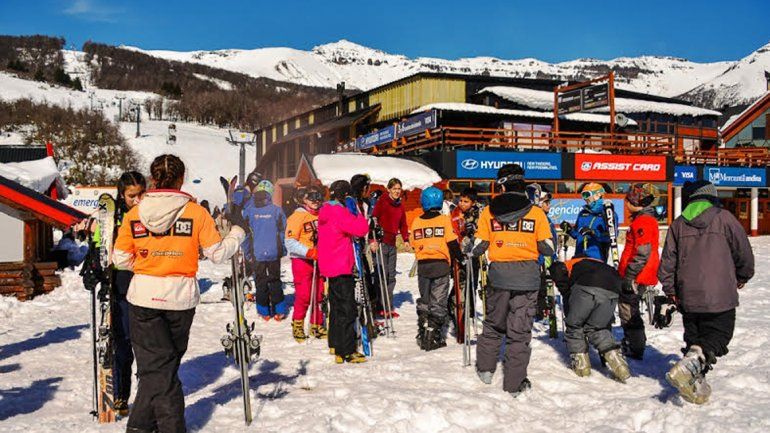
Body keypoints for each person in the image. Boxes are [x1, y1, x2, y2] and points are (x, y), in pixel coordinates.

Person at [113, 154, 246, 433]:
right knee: (164, 367)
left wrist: (150, 262)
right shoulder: (196, 212)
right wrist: (237, 234)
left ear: (152, 179)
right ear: (182, 178)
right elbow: (217, 253)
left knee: (158, 368)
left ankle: (139, 427)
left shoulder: (134, 213)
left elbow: (120, 259)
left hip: (144, 297)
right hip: (180, 297)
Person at [657, 180, 754, 404]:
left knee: (695, 340)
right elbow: (743, 252)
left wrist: (672, 291)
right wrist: (742, 276)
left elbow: (667, 263)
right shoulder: (724, 218)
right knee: (718, 337)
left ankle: (694, 386)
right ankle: (692, 367)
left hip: (688, 295)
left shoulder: (678, 224)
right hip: (720, 295)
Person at [468, 163, 554, 397]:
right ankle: (514, 384)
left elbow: (479, 246)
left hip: (498, 276)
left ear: (502, 184)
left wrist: (469, 249)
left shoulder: (489, 211)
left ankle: (485, 370)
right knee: (519, 331)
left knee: (494, 322)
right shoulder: (536, 212)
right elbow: (548, 247)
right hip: (526, 277)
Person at [550, 257, 631, 382]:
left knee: (574, 325)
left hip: (587, 285)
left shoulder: (565, 265)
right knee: (598, 328)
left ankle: (582, 367)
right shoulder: (595, 262)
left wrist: (569, 306)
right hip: (613, 288)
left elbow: (561, 280)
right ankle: (618, 362)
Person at [318, 180, 370, 363]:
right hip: (341, 266)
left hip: (329, 266)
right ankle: (347, 350)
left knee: (337, 308)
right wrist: (355, 209)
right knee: (347, 309)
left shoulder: (325, 210)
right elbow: (361, 229)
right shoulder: (339, 212)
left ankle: (335, 344)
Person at [411, 187, 462, 351]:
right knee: (438, 301)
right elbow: (452, 242)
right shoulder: (444, 220)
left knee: (425, 299)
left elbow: (413, 242)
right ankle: (432, 336)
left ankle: (423, 329)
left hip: (424, 265)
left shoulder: (417, 221)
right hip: (440, 265)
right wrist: (460, 258)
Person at [617, 183, 661, 360]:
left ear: (637, 202)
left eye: (628, 200)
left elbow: (643, 251)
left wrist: (630, 275)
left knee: (629, 309)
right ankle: (633, 343)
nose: (626, 203)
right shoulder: (642, 219)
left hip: (637, 275)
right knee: (630, 308)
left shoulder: (643, 221)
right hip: (639, 274)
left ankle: (634, 347)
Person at [285, 185, 326, 343]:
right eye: (311, 197)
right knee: (304, 294)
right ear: (304, 199)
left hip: (320, 259)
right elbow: (289, 242)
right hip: (302, 260)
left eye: (318, 197)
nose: (315, 200)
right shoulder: (297, 216)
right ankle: (298, 325)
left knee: (319, 293)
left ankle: (316, 324)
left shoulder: (322, 214)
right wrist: (308, 252)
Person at [243, 180, 287, 321]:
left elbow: (246, 234)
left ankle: (264, 311)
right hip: (274, 252)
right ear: (270, 194)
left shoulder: (249, 211)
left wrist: (247, 252)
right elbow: (282, 230)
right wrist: (283, 249)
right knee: (275, 280)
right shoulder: (276, 210)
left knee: (260, 281)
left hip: (257, 252)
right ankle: (279, 311)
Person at [371, 178, 409, 318]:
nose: (397, 191)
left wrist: (405, 239)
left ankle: (388, 306)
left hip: (392, 244)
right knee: (382, 275)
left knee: (391, 276)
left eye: (399, 189)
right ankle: (379, 306)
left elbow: (403, 224)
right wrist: (372, 239)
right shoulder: (382, 202)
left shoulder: (400, 205)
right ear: (389, 189)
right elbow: (373, 220)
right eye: (394, 189)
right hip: (381, 242)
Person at [449, 187, 482, 329]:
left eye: (466, 201)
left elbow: (483, 232)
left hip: (473, 253)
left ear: (473, 203)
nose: (462, 203)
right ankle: (453, 306)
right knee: (459, 282)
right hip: (458, 252)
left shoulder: (479, 213)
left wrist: (474, 229)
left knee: (471, 283)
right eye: (461, 200)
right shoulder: (455, 212)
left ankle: (470, 313)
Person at [560, 183, 617, 262]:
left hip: (596, 259)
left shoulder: (607, 213)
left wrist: (593, 232)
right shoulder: (583, 213)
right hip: (579, 257)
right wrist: (569, 229)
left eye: (587, 194)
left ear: (598, 195)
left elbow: (611, 237)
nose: (585, 198)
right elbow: (577, 234)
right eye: (583, 195)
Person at [528, 184, 558, 321]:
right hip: (538, 259)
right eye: (546, 202)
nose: (549, 205)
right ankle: (539, 313)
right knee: (539, 288)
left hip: (548, 258)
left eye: (549, 202)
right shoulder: (538, 218)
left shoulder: (548, 219)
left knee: (545, 287)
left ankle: (544, 311)